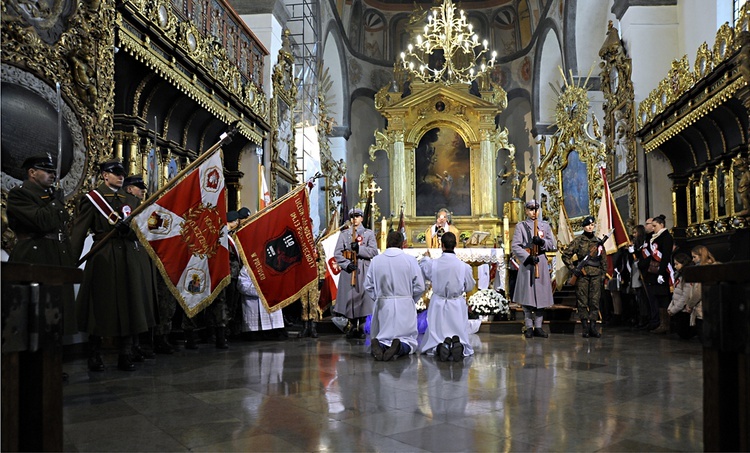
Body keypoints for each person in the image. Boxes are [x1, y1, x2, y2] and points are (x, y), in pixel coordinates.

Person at [70, 159, 153, 371]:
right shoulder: (92, 199)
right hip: (103, 256)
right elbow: (79, 231)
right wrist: (70, 260)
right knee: (99, 305)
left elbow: (142, 230)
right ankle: (94, 353)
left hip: (127, 256)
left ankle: (125, 353)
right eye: (115, 173)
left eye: (122, 173)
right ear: (105, 175)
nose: (120, 176)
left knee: (129, 303)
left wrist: (131, 232)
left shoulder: (131, 200)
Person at [6, 155, 77, 336]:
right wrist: (56, 203)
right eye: (47, 171)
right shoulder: (20, 193)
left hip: (55, 257)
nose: (53, 175)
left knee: (55, 316)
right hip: (35, 256)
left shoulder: (50, 195)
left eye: (54, 172)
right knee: (34, 318)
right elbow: (41, 221)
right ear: (32, 172)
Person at [365, 231, 425, 361]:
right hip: (405, 304)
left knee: (383, 335)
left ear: (387, 242)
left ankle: (379, 345)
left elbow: (368, 285)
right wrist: (409, 299)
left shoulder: (376, 261)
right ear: (402, 244)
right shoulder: (410, 260)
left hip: (383, 304)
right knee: (408, 339)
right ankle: (399, 347)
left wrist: (379, 298)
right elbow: (420, 286)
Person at [418, 231, 475, 361]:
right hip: (456, 303)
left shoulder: (433, 264)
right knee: (458, 331)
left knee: (436, 335)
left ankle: (440, 346)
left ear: (441, 245)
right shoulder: (464, 267)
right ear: (455, 245)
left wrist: (426, 257)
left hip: (438, 302)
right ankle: (457, 343)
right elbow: (470, 286)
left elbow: (424, 267)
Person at [122, 174, 158, 361]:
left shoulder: (140, 205)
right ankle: (129, 347)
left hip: (141, 255)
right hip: (130, 256)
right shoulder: (128, 205)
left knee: (142, 304)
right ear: (129, 189)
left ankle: (137, 344)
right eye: (138, 187)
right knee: (134, 303)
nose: (142, 190)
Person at [511, 199, 557, 338]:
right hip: (528, 263)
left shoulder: (545, 226)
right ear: (526, 210)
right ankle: (529, 326)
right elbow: (515, 246)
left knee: (541, 296)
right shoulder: (521, 226)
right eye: (531, 209)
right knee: (528, 296)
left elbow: (552, 244)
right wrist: (527, 257)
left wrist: (542, 242)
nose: (534, 212)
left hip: (541, 262)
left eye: (536, 209)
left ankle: (538, 326)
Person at [334, 207, 379, 338]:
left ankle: (362, 325)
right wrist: (346, 265)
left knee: (363, 297)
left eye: (357, 216)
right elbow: (337, 253)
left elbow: (373, 252)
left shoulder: (368, 234)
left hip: (363, 269)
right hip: (350, 269)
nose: (355, 219)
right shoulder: (344, 234)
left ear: (362, 218)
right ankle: (352, 325)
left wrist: (359, 249)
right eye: (353, 217)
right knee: (350, 297)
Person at [562, 215, 607, 338]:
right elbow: (565, 255)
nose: (590, 227)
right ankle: (585, 327)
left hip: (596, 275)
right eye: (588, 225)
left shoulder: (598, 242)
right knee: (582, 301)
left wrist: (603, 274)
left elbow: (603, 259)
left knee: (594, 301)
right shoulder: (578, 241)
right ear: (584, 226)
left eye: (592, 225)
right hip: (582, 275)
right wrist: (574, 269)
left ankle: (593, 326)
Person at [635, 214, 673, 334]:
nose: (653, 228)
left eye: (655, 226)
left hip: (662, 271)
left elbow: (665, 256)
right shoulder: (655, 237)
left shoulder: (666, 237)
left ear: (661, 225)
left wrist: (661, 273)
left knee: (663, 298)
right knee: (657, 297)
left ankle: (665, 324)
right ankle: (660, 323)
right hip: (654, 272)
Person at [667, 253, 700, 339]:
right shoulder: (679, 276)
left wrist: (674, 309)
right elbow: (676, 294)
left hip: (684, 311)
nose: (675, 266)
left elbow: (685, 297)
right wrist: (671, 307)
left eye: (677, 264)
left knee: (684, 333)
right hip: (679, 309)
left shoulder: (686, 277)